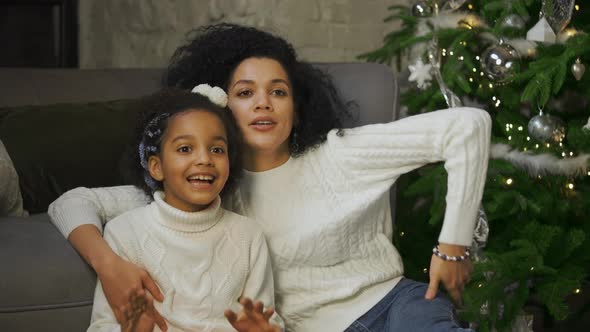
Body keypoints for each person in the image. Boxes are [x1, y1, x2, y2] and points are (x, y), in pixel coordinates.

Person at [49, 23, 491, 332]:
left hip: (395, 307)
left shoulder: (340, 152)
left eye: (278, 91)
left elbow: (469, 126)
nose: (264, 103)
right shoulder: (208, 182)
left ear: (297, 108)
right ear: (220, 107)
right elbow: (73, 203)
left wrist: (452, 247)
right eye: (245, 93)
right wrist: (110, 267)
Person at [86, 86, 283, 332]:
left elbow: (267, 319)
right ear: (156, 167)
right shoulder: (124, 232)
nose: (204, 159)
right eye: (185, 149)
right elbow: (101, 327)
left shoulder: (248, 235)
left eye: (217, 150)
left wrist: (262, 330)